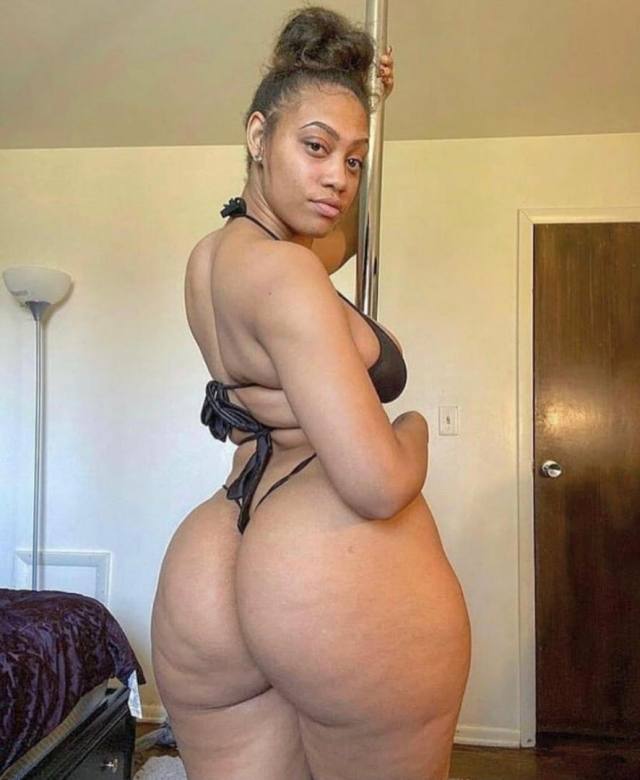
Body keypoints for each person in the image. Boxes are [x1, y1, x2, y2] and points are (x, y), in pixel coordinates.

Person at [151, 6, 470, 779]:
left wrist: (370, 108)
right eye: (317, 147)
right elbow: (376, 484)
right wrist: (415, 426)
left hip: (212, 554)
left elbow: (341, 235)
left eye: (354, 161)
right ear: (258, 136)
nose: (338, 178)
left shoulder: (215, 257)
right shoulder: (288, 273)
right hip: (322, 558)